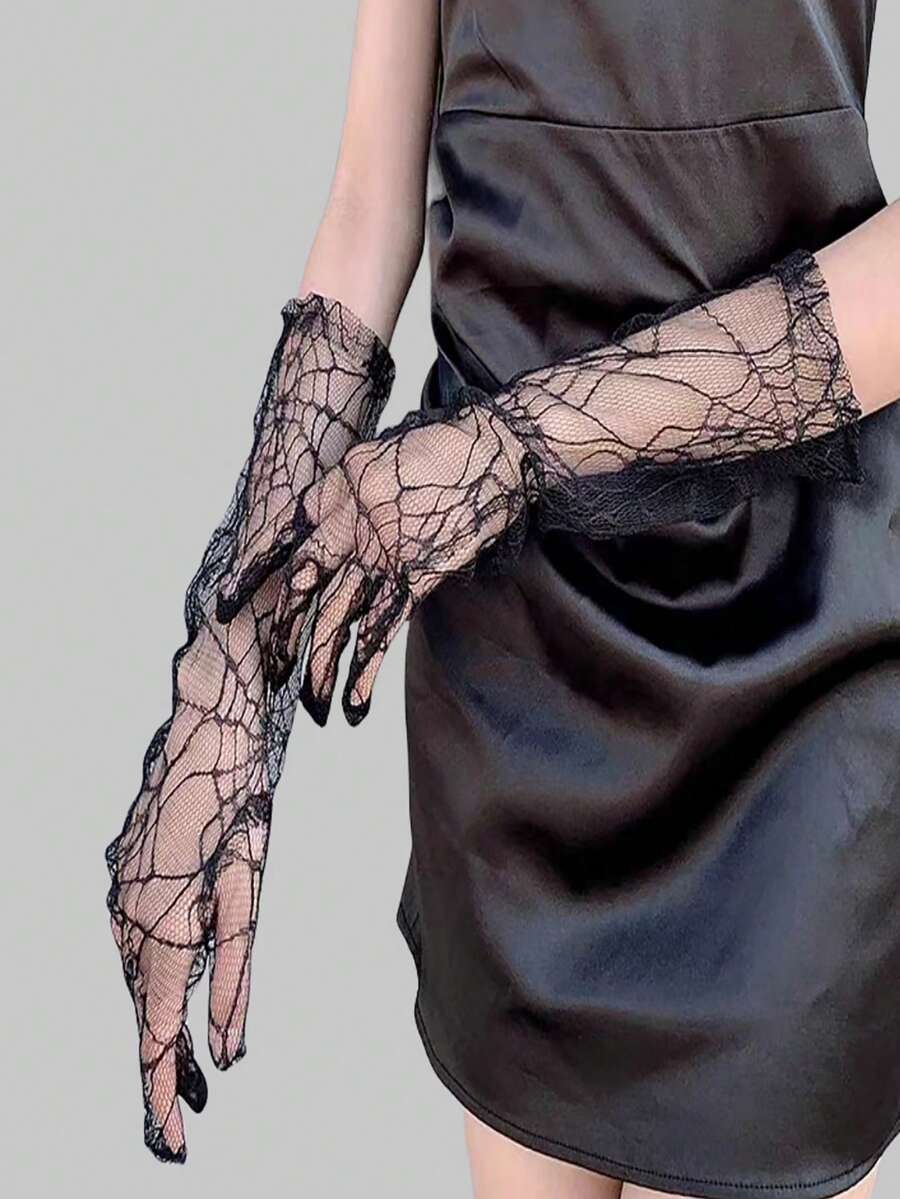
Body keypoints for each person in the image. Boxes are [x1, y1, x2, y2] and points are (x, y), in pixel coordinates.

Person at [105, 3, 900, 1196]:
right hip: (520, 661)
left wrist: (509, 448)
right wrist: (228, 679)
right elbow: (371, 208)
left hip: (791, 639)